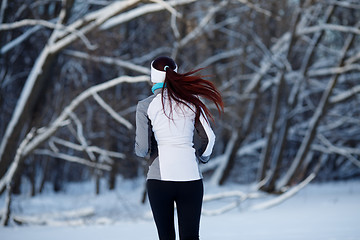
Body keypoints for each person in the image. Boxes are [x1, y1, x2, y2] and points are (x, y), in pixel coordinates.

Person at [135, 56, 223, 240]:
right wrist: (201, 157)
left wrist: (148, 150)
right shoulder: (192, 101)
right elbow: (209, 138)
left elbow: (142, 148)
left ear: (154, 78)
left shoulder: (146, 106)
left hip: (159, 181)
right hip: (190, 179)